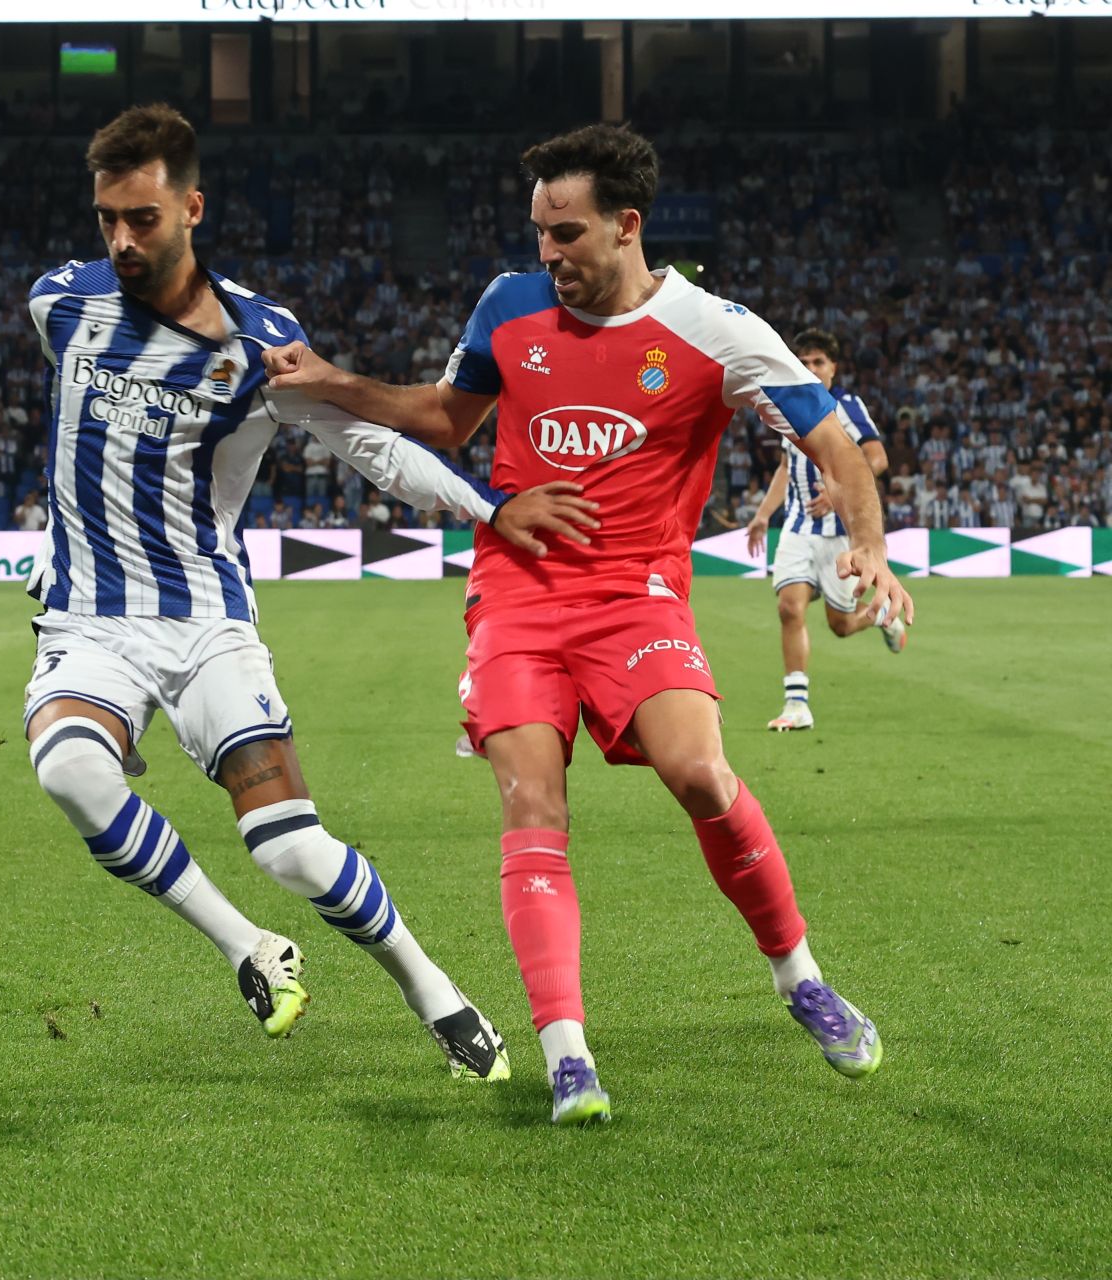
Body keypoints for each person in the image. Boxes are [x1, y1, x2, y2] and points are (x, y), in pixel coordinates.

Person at [262, 123, 913, 1125]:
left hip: (636, 595)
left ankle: (800, 978)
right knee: (532, 802)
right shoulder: (508, 304)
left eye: (565, 233)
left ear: (627, 225)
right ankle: (567, 1053)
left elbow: (835, 443)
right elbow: (444, 418)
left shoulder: (718, 329)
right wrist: (331, 381)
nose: (548, 253)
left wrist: (868, 543)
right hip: (517, 594)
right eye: (539, 231)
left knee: (700, 772)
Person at [25, 104, 594, 1079]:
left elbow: (368, 446)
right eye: (107, 218)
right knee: (70, 771)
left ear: (191, 209)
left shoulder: (259, 341)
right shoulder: (60, 304)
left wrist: (490, 508)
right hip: (88, 622)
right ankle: (250, 946)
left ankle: (435, 991)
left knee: (287, 845)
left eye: (143, 219)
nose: (122, 240)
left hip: (206, 624)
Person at [745, 328, 906, 732]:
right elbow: (786, 467)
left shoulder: (846, 406)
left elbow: (877, 457)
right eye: (804, 362)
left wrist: (840, 494)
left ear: (833, 367)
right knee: (789, 607)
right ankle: (796, 704)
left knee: (841, 625)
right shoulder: (787, 405)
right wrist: (763, 514)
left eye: (819, 362)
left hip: (838, 535)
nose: (812, 368)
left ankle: (883, 617)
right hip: (797, 528)